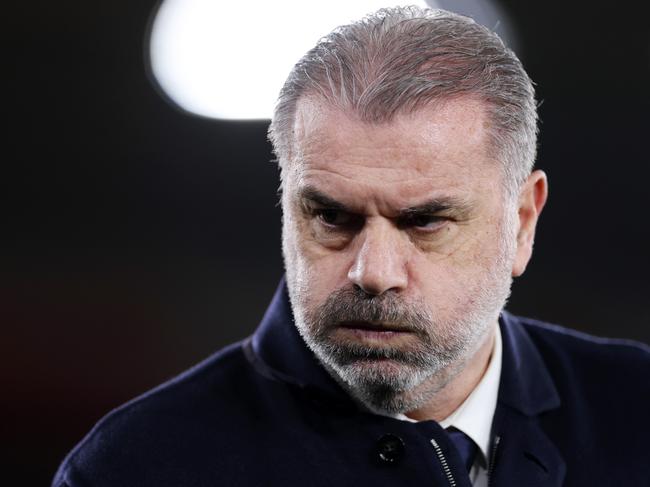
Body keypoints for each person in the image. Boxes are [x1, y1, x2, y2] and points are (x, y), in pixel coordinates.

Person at [52, 7, 649, 487]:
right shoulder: (134, 468)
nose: (374, 273)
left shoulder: (635, 413)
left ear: (521, 223)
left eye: (425, 222)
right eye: (332, 217)